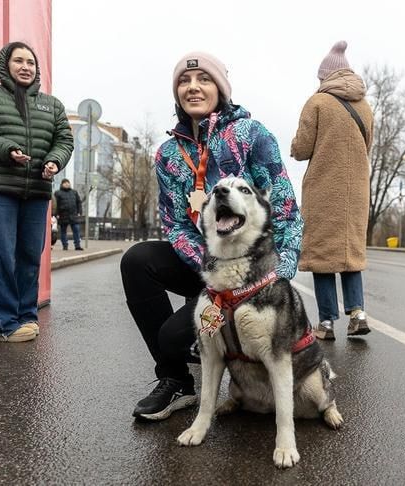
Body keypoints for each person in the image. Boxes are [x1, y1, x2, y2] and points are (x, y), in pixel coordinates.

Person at [120, 52, 302, 421]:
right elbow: (174, 223)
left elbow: (283, 207)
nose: (193, 87)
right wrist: (207, 266)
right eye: (184, 82)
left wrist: (279, 270)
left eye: (203, 79)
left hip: (251, 272)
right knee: (137, 260)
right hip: (205, 265)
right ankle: (175, 381)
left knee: (173, 338)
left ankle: (232, 365)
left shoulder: (252, 136)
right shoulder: (168, 154)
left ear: (220, 87)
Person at [0, 41, 74, 342]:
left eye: (31, 62)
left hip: (37, 191)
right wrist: (7, 150)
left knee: (29, 256)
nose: (26, 67)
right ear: (5, 65)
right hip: (0, 189)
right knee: (0, 256)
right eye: (18, 61)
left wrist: (54, 161)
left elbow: (64, 140)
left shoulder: (52, 105)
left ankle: (26, 316)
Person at [290, 40, 374, 340]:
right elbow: (368, 146)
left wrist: (295, 146)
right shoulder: (364, 106)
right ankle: (358, 313)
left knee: (323, 255)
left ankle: (326, 323)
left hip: (325, 188)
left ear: (326, 76)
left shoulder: (318, 102)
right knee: (350, 253)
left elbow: (301, 149)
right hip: (358, 190)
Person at [53, 178, 83, 250]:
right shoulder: (57, 193)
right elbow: (55, 204)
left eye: (68, 183)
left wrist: (79, 212)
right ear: (62, 184)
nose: (67, 184)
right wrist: (56, 214)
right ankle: (65, 245)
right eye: (65, 183)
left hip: (73, 215)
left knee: (76, 230)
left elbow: (78, 202)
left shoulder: (74, 192)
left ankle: (77, 245)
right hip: (63, 215)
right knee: (63, 231)